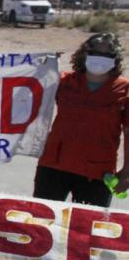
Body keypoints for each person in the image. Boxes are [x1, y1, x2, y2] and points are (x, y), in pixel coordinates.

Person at [34, 33, 129, 206]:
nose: (100, 59)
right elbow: (27, 93)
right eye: (95, 53)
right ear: (84, 54)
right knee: (42, 220)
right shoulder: (63, 81)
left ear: (115, 60)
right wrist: (41, 67)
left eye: (107, 55)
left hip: (97, 172)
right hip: (54, 165)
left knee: (87, 229)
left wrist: (127, 171)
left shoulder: (124, 90)